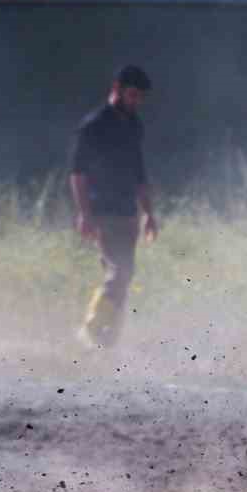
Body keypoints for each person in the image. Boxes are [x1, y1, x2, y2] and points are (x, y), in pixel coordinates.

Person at [70, 65, 160, 349]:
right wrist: (84, 214)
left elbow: (139, 173)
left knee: (125, 277)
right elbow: (77, 173)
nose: (136, 102)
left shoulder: (135, 125)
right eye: (132, 95)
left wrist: (148, 213)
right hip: (102, 211)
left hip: (128, 213)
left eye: (140, 98)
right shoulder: (94, 126)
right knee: (118, 273)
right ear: (117, 89)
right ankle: (90, 332)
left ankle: (108, 345)